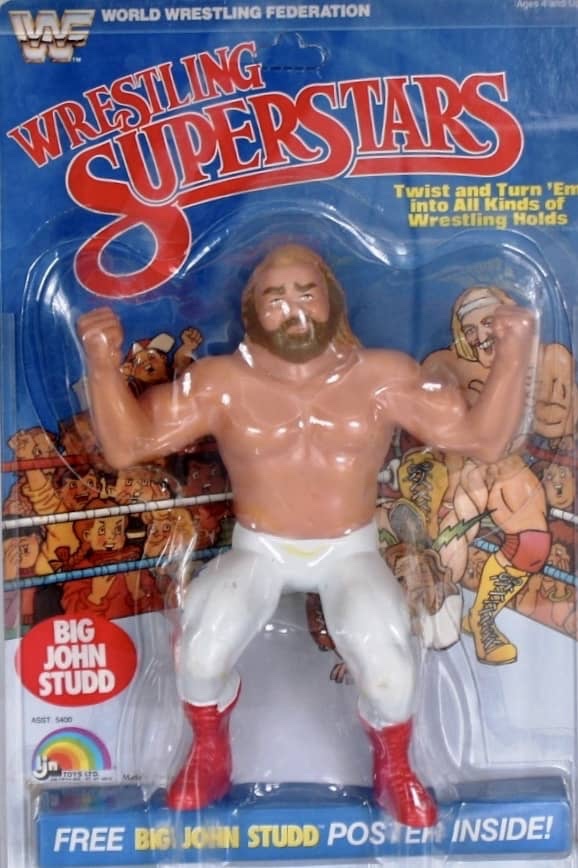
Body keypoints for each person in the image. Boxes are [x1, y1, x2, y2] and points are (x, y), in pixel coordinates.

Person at [77, 244, 535, 827]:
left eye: (306, 292)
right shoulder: (221, 382)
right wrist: (101, 363)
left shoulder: (382, 377)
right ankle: (210, 751)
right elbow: (128, 446)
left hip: (350, 549)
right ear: (252, 312)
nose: (292, 308)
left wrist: (514, 353)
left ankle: (395, 766)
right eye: (275, 297)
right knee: (200, 652)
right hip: (259, 547)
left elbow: (483, 440)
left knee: (391, 671)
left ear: (332, 301)